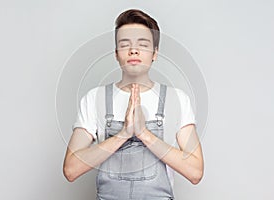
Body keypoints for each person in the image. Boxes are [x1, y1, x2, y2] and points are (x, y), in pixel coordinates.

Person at [63, 9, 204, 199]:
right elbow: (71, 169)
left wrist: (145, 134)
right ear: (116, 53)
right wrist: (123, 135)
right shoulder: (94, 98)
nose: (133, 50)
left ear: (155, 53)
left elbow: (195, 172)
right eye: (124, 44)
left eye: (143, 44)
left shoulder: (176, 99)